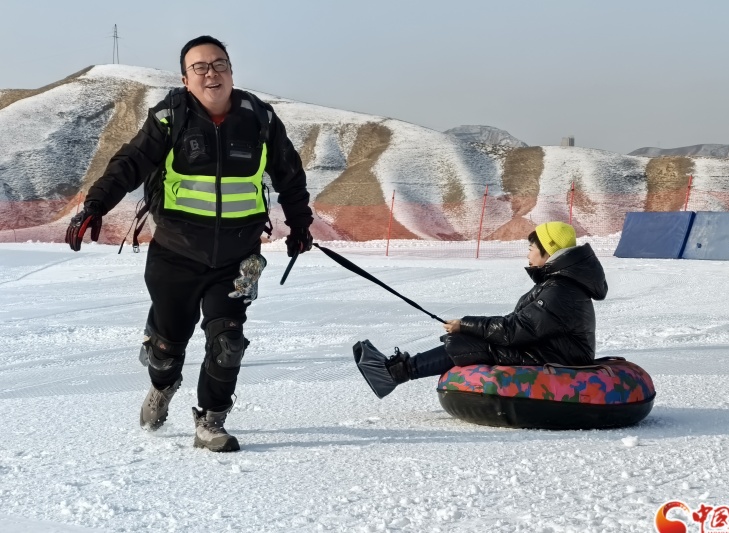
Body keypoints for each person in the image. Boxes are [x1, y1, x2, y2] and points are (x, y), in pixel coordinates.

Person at [65, 35, 314, 452]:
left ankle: (211, 420)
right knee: (167, 348)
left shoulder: (260, 119)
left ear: (231, 71)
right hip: (175, 254)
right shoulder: (170, 117)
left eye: (219, 64)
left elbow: (290, 174)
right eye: (200, 67)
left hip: (238, 256)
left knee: (228, 342)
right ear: (185, 78)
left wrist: (300, 224)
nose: (211, 73)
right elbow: (130, 162)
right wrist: (95, 205)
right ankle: (162, 384)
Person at [354, 221, 608, 399]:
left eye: (531, 249)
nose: (528, 256)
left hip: (557, 358)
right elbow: (520, 324)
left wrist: (466, 325)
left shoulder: (560, 289)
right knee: (469, 338)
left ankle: (394, 373)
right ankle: (397, 370)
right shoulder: (558, 284)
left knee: (465, 344)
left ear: (548, 251)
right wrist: (469, 326)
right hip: (547, 350)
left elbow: (517, 330)